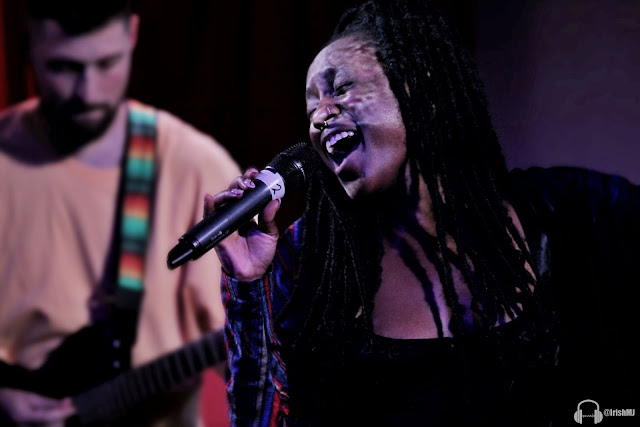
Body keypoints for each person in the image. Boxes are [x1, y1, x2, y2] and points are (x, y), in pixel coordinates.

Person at [206, 0, 639, 425]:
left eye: (340, 88)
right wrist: (247, 287)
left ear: (422, 89)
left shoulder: (570, 211)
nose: (319, 116)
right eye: (310, 107)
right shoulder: (306, 263)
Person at [0, 0, 241, 425]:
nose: (88, 92)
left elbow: (249, 350)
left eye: (107, 63)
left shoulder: (197, 168)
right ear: (29, 44)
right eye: (63, 67)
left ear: (132, 34)